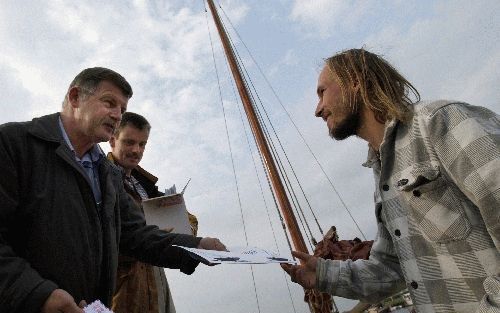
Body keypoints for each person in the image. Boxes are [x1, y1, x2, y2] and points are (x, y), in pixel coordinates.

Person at [282, 48, 500, 312]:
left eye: (322, 92)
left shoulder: (440, 122)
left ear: (355, 80)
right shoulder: (382, 172)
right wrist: (323, 275)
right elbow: (392, 268)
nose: (318, 110)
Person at [0, 67, 226, 313]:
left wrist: (195, 247)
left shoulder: (107, 175)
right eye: (109, 103)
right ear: (75, 97)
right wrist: (38, 295)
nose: (117, 115)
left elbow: (136, 235)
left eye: (123, 109)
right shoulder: (13, 144)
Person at [108, 112, 198, 313]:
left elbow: (189, 219)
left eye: (142, 144)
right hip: (122, 287)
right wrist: (149, 237)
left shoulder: (146, 187)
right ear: (112, 140)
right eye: (129, 142)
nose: (136, 150)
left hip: (156, 281)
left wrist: (186, 229)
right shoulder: (100, 180)